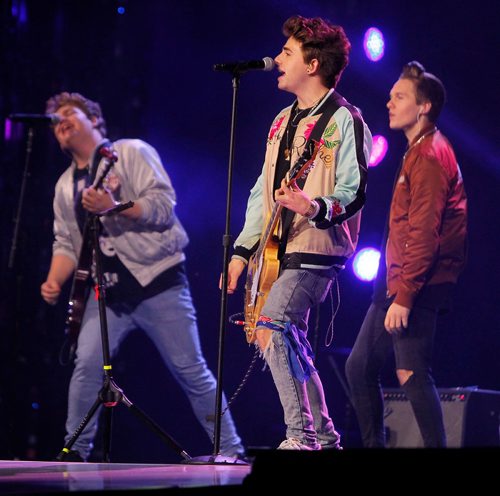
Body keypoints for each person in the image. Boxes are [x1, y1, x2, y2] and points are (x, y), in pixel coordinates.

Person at [40, 92, 244, 461]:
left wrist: (114, 207)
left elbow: (164, 206)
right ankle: (75, 452)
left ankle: (231, 449)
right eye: (56, 120)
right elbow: (67, 243)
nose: (61, 121)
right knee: (86, 366)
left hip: (158, 282)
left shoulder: (131, 152)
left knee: (190, 369)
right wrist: (55, 280)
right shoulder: (63, 186)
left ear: (95, 121)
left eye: (70, 113)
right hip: (109, 297)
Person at [224, 16, 372, 450]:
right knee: (286, 338)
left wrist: (313, 206)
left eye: (287, 53)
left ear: (312, 64)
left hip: (318, 245)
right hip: (275, 248)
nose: (278, 59)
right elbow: (261, 191)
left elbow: (356, 188)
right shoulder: (279, 122)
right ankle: (324, 436)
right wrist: (241, 251)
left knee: (274, 321)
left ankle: (301, 434)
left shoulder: (344, 118)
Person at [345, 61, 468, 447]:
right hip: (396, 281)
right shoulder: (417, 150)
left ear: (424, 106)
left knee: (411, 372)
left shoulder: (431, 155)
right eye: (391, 95)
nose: (389, 102)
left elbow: (425, 234)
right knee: (360, 367)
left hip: (415, 283)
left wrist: (406, 296)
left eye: (400, 97)